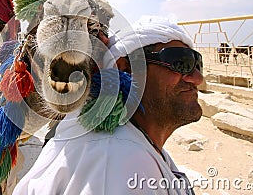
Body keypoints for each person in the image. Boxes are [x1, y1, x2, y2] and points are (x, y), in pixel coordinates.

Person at [13, 16, 203, 194]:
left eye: (197, 64)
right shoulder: (118, 161)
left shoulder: (135, 147)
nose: (197, 78)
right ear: (125, 68)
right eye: (180, 62)